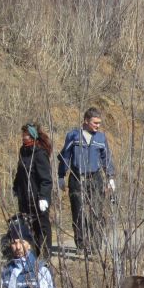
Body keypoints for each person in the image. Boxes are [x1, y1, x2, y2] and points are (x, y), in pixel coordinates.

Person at [58, 107, 115, 255]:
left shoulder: (101, 138)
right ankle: (81, 245)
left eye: (99, 123)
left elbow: (106, 158)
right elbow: (65, 156)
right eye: (95, 123)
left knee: (96, 212)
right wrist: (61, 176)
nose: (98, 126)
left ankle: (95, 246)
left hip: (95, 178)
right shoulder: (73, 136)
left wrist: (110, 177)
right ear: (86, 121)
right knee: (78, 212)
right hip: (77, 177)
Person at [13, 123, 53, 257]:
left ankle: (46, 255)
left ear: (33, 136)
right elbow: (20, 173)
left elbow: (46, 179)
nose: (24, 137)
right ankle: (32, 255)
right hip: (25, 197)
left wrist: (43, 197)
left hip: (38, 198)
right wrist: (16, 187)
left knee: (42, 227)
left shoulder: (40, 153)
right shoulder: (22, 151)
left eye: (27, 135)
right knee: (29, 228)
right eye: (23, 134)